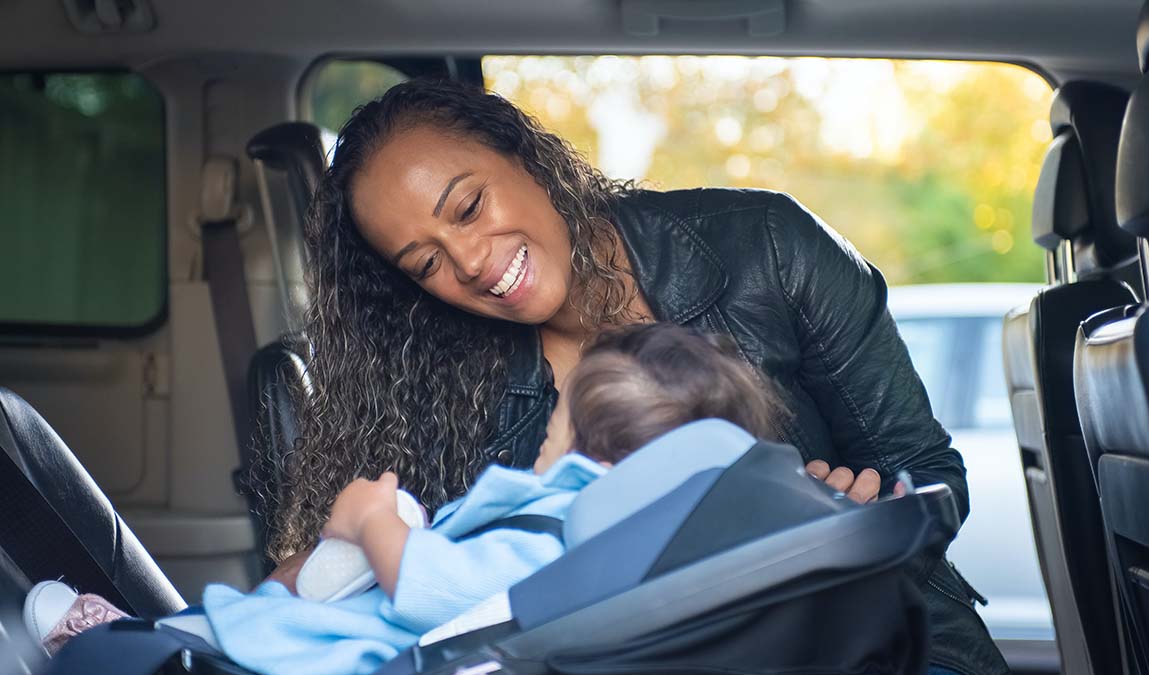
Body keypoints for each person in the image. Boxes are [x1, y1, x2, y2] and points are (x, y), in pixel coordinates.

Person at [261, 78, 1008, 674]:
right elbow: (387, 558)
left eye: (469, 206)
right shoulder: (446, 378)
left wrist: (852, 506)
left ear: (521, 151)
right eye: (425, 263)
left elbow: (927, 469)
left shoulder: (770, 248)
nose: (471, 262)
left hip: (872, 639)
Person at [25, 323, 784, 675]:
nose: (547, 435)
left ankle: (136, 645)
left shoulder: (566, 533)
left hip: (373, 654)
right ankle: (162, 636)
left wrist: (372, 521)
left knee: (162, 650)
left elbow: (434, 589)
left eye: (558, 420)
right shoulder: (644, 538)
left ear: (594, 448)